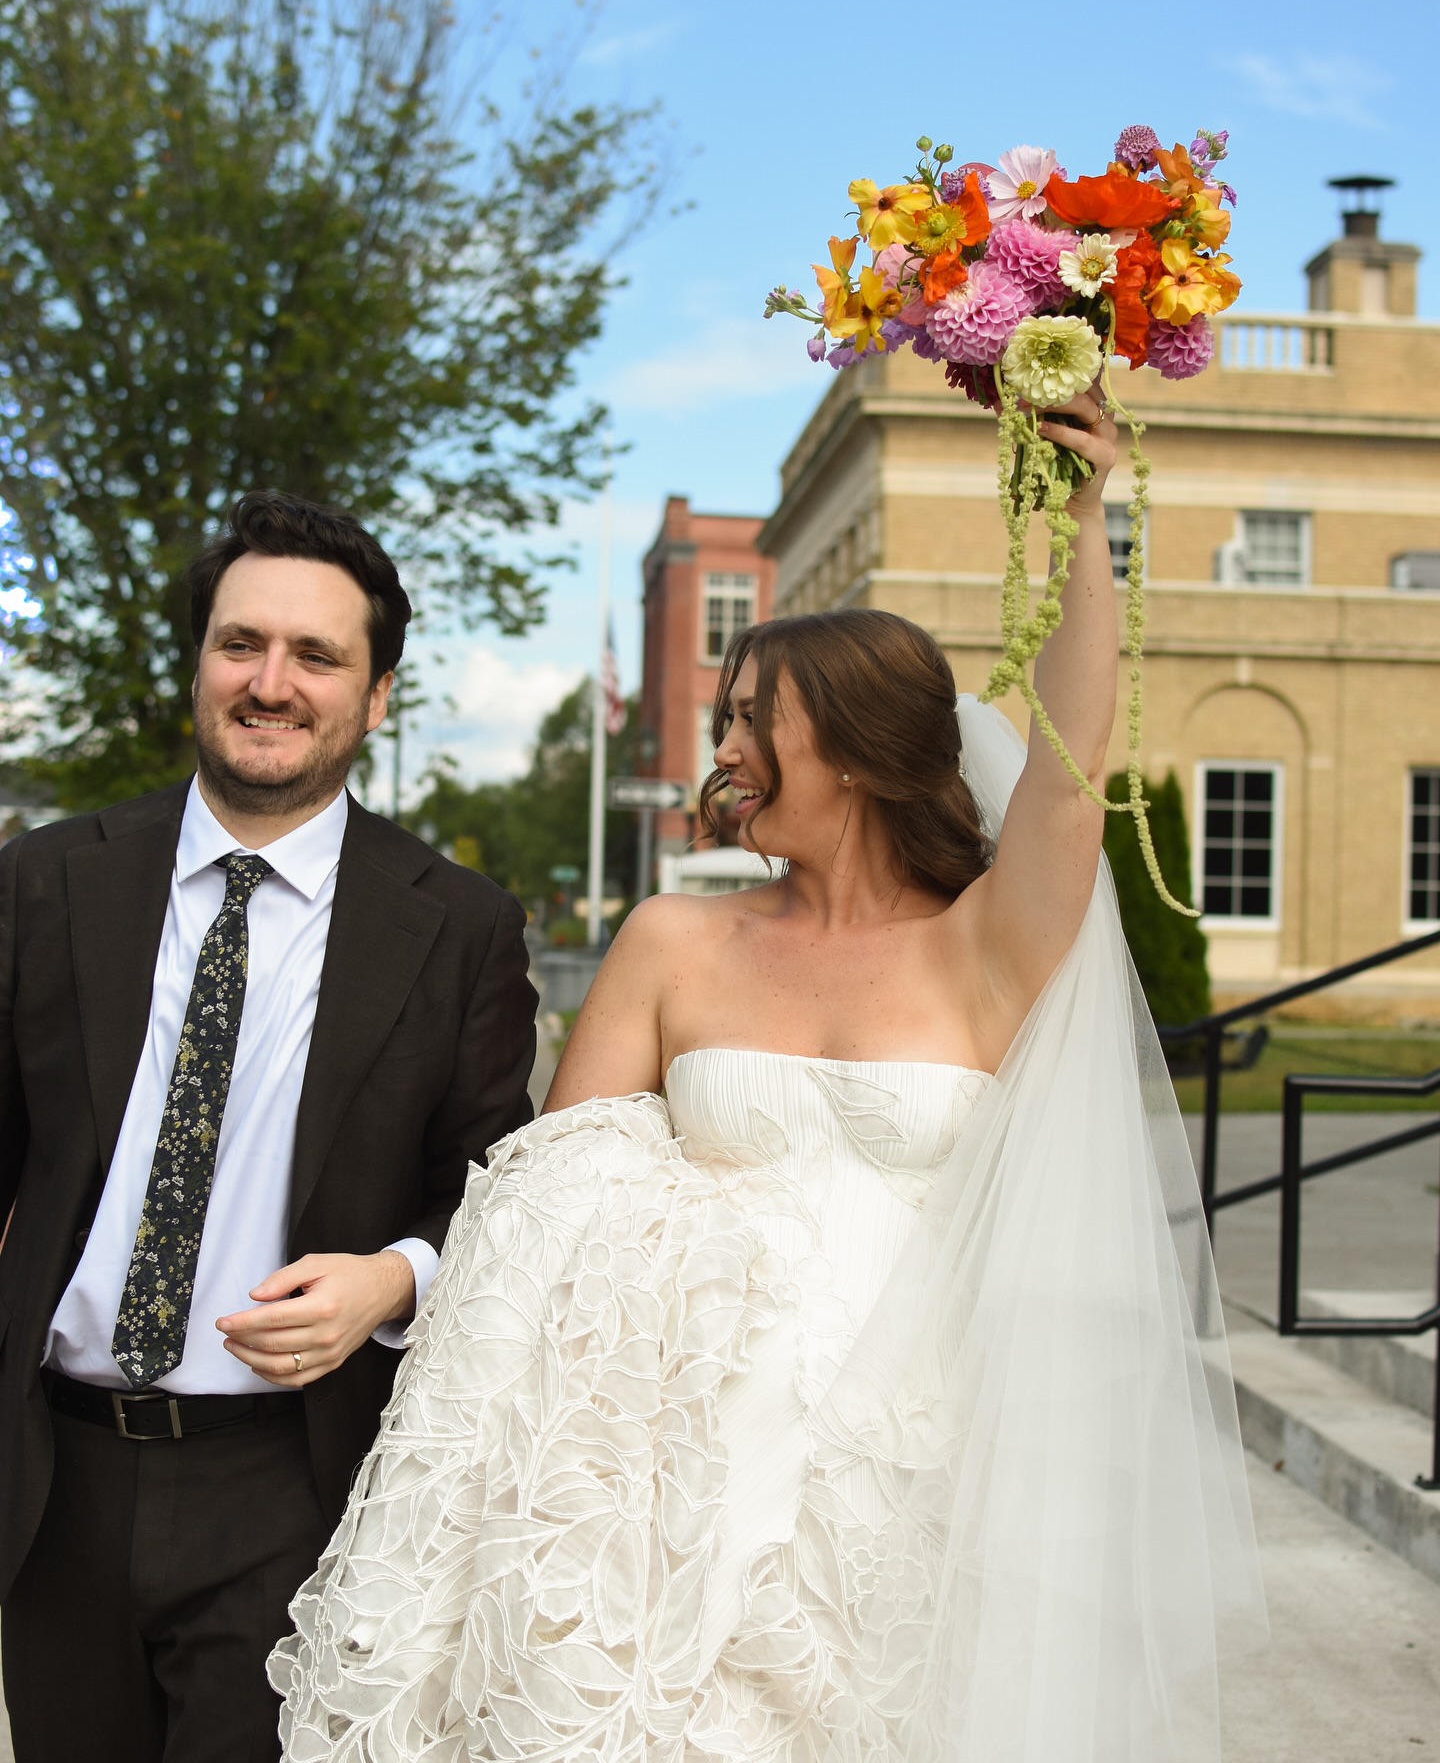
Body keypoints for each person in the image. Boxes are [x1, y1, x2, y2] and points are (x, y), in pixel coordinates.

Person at [270, 393, 1264, 1760]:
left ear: (853, 751)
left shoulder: (986, 952)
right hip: (661, 1475)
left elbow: (1073, 774)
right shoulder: (675, 938)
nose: (722, 748)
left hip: (909, 1472)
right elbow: (548, 1208)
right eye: (726, 714)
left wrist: (1090, 523)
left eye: (753, 720)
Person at [0, 493, 537, 1763]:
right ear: (199, 664)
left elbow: (498, 1185)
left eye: (317, 655)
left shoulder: (457, 926)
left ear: (379, 694)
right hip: (50, 1479)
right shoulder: (45, 880)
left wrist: (391, 1280)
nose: (271, 683)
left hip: (291, 1488)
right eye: (242, 644)